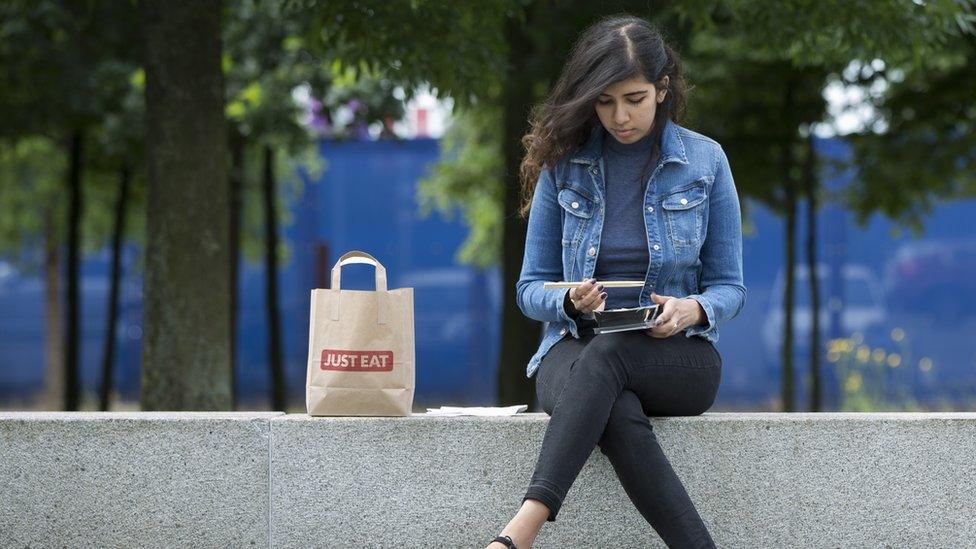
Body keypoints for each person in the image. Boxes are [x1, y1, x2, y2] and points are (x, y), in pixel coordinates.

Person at [485, 14, 746, 549]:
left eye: (634, 98)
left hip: (678, 356)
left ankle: (520, 532)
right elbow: (530, 289)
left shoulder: (705, 160)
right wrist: (572, 303)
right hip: (572, 349)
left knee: (610, 357)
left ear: (662, 89)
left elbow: (730, 288)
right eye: (604, 102)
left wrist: (689, 310)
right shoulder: (565, 164)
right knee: (615, 403)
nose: (619, 116)